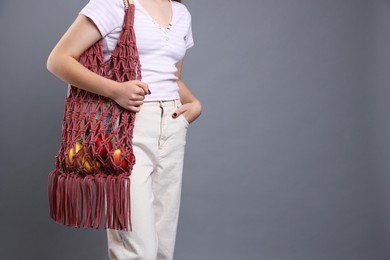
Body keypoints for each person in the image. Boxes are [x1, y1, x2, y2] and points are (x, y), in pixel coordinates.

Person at [46, 0, 202, 259]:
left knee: (163, 247)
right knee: (137, 251)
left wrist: (193, 103)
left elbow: (171, 76)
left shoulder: (181, 13)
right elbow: (58, 60)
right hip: (128, 127)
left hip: (173, 126)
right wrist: (115, 90)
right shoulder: (114, 3)